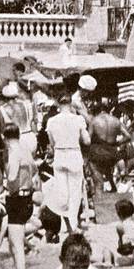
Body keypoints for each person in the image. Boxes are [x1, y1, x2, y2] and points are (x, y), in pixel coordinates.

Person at [2, 122, 38, 269]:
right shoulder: (26, 150)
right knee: (13, 242)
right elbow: (35, 171)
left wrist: (7, 187)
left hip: (16, 198)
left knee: (16, 246)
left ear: (5, 137)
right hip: (27, 198)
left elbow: (12, 176)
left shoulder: (14, 152)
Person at [45, 91, 89, 232]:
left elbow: (51, 143)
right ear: (71, 104)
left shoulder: (51, 121)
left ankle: (66, 224)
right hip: (74, 153)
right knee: (75, 192)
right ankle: (73, 224)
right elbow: (87, 141)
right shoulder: (78, 119)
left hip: (60, 154)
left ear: (58, 104)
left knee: (62, 192)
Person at [88, 101, 130, 192]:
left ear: (98, 110)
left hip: (97, 153)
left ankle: (99, 200)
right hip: (112, 153)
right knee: (107, 167)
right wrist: (117, 143)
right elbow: (128, 136)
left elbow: (88, 140)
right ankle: (113, 187)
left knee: (99, 183)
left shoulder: (94, 121)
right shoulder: (116, 120)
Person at [0, 81, 36, 162]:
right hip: (30, 137)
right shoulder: (25, 104)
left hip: (16, 140)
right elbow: (32, 121)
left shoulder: (3, 108)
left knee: (16, 168)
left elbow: (2, 129)